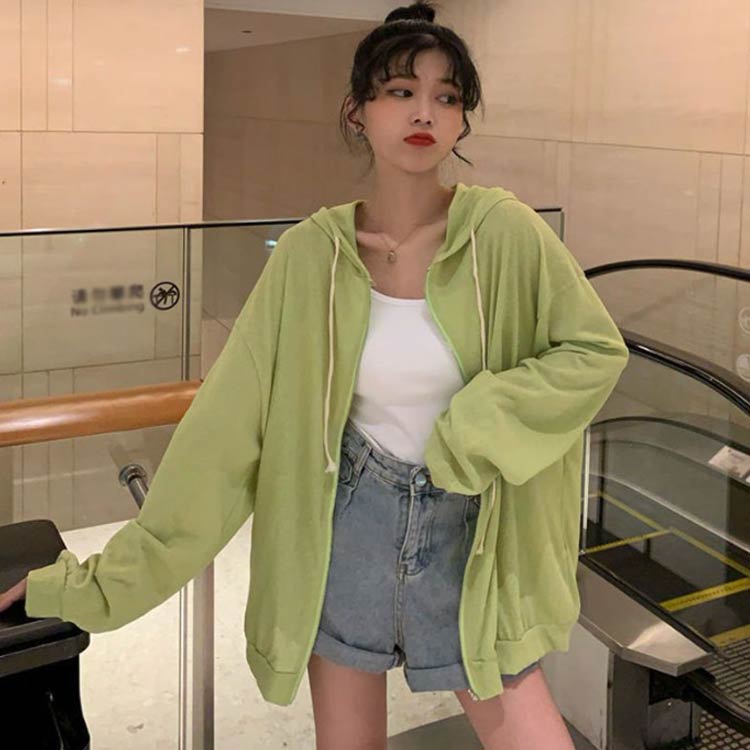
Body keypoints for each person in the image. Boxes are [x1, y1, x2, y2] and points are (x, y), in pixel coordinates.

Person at [0, 2, 629, 748]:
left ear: (462, 121)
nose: (424, 111)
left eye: (447, 95)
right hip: (343, 529)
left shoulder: (505, 233)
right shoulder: (310, 255)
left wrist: (478, 427)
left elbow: (593, 351)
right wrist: (90, 585)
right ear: (357, 110)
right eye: (400, 90)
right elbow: (224, 436)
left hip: (476, 535)